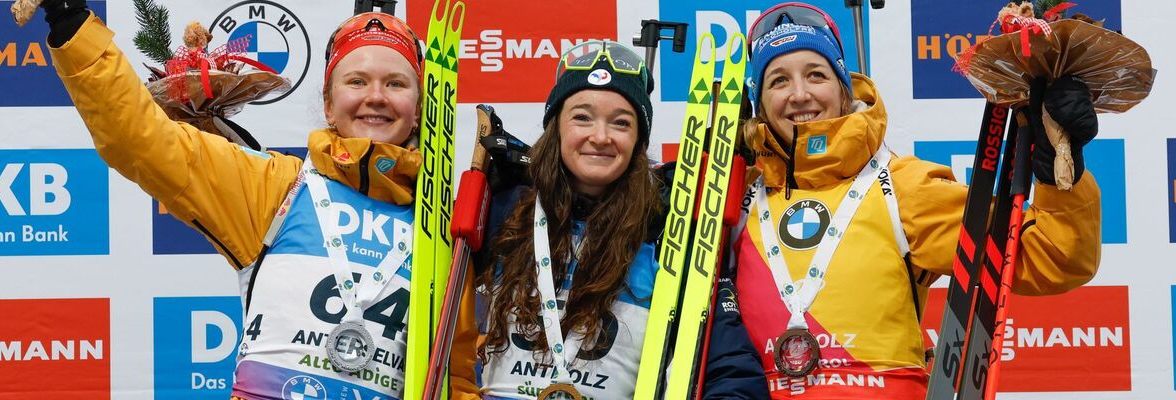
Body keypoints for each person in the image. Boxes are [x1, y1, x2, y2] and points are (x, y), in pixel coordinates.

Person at [29, 1, 478, 398]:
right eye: (356, 81)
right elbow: (141, 141)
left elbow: (455, 381)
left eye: (396, 84)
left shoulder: (439, 229)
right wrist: (74, 29)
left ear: (421, 106)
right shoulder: (275, 187)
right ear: (327, 102)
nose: (375, 97)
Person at [728, 3, 1103, 398]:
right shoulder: (734, 200)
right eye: (778, 81)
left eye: (816, 75)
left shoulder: (903, 187)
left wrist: (1061, 171)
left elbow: (1052, 257)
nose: (800, 95)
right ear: (759, 101)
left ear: (843, 87)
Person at [461, 41, 769, 399]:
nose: (601, 136)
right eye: (582, 117)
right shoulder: (505, 212)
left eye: (621, 123)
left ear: (639, 139)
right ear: (555, 127)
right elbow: (441, 336)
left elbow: (730, 370)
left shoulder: (669, 228)